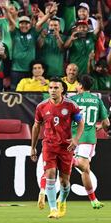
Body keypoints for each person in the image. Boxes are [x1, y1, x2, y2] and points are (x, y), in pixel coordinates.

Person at [31, 78, 84, 219]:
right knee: (50, 175)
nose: (52, 90)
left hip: (66, 147)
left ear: (62, 90)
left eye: (56, 88)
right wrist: (33, 147)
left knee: (64, 182)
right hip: (49, 145)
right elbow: (36, 126)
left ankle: (63, 200)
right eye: (51, 88)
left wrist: (76, 139)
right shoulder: (41, 107)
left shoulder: (71, 105)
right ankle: (53, 208)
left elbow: (81, 122)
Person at [70, 75, 110, 208]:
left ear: (81, 85)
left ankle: (93, 200)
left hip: (72, 137)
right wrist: (100, 127)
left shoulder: (72, 100)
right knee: (84, 166)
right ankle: (67, 161)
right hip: (87, 138)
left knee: (85, 169)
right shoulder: (97, 100)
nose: (76, 86)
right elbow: (106, 123)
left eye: (77, 84)